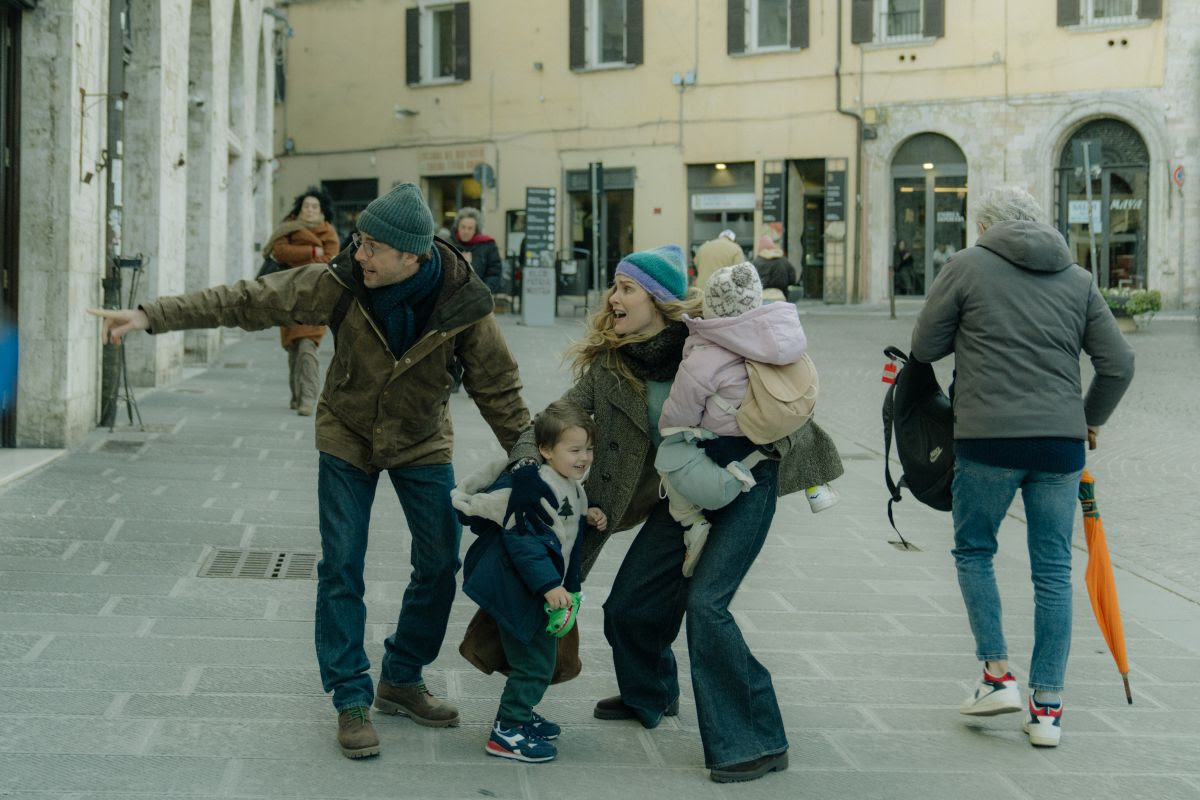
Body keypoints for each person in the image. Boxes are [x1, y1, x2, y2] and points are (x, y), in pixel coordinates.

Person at [88, 182, 532, 760]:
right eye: (359, 240)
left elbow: (498, 387)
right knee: (342, 564)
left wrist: (529, 463)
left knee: (439, 562)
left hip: (421, 439)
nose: (358, 253)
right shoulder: (340, 281)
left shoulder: (464, 304)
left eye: (372, 246)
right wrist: (150, 315)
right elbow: (250, 298)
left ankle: (400, 677)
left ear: (412, 256)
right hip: (346, 434)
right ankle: (350, 696)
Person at [503, 244, 842, 783]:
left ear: (658, 300)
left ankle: (756, 739)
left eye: (626, 288)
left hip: (748, 479)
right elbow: (554, 417)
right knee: (629, 607)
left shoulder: (714, 335)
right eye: (614, 287)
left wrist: (769, 452)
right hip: (680, 499)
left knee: (708, 605)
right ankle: (652, 695)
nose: (613, 298)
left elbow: (786, 394)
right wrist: (525, 462)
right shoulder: (610, 367)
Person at [910, 186, 1134, 749]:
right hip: (1059, 446)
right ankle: (1048, 708)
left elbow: (925, 346)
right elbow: (1119, 364)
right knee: (1053, 572)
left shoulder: (966, 265)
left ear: (984, 225)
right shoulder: (1078, 278)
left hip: (988, 440)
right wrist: (1086, 418)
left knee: (975, 549)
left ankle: (996, 675)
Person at [657, 262, 839, 576]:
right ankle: (815, 484)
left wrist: (667, 429)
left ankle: (692, 521)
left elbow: (681, 413)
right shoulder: (777, 334)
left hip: (720, 438)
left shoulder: (704, 356)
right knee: (800, 422)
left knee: (667, 456)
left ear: (711, 308)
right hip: (772, 426)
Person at [452, 400, 607, 763]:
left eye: (588, 449)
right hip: (520, 591)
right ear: (545, 451)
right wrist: (549, 586)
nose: (584, 457)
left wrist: (589, 515)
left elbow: (564, 521)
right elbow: (524, 544)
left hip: (534, 591)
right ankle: (508, 730)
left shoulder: (569, 484)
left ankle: (521, 713)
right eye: (574, 450)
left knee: (538, 657)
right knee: (535, 663)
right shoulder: (533, 492)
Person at [266, 187, 341, 416]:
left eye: (314, 206)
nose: (309, 210)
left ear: (322, 211)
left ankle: (308, 398)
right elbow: (279, 252)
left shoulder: (328, 232)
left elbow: (330, 260)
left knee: (308, 345)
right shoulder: (287, 228)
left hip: (316, 295)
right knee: (294, 347)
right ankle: (297, 395)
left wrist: (301, 257)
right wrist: (311, 250)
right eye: (306, 206)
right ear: (300, 209)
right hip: (288, 295)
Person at [452, 207, 504, 294]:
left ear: (476, 230)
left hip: (479, 298)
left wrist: (483, 293)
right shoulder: (449, 244)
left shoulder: (487, 245)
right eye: (463, 227)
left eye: (470, 228)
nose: (466, 231)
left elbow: (494, 273)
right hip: (453, 299)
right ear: (458, 227)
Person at [751, 233, 797, 301]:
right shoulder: (783, 260)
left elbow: (751, 281)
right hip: (781, 296)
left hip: (761, 297)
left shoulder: (757, 262)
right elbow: (793, 279)